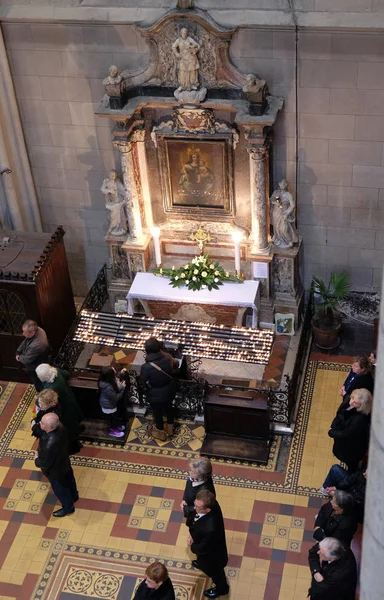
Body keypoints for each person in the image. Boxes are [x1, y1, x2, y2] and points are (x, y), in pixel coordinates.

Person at [34, 413, 79, 517]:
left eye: (42, 423)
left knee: (60, 489)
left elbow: (45, 463)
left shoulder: (50, 445)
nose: (40, 423)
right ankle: (74, 495)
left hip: (55, 471)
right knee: (69, 479)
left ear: (49, 427)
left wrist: (36, 460)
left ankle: (68, 507)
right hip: (64, 462)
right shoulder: (61, 427)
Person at [187, 490, 229, 599]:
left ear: (208, 509)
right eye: (195, 504)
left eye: (198, 507)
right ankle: (201, 563)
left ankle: (222, 588)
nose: (194, 508)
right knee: (203, 562)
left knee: (215, 573)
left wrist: (192, 546)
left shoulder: (211, 528)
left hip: (213, 557)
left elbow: (203, 548)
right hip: (208, 548)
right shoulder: (213, 503)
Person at [35, 364, 83, 454]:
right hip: (70, 402)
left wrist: (38, 401)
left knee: (68, 430)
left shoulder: (51, 387)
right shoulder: (56, 372)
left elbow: (44, 401)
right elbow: (66, 374)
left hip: (64, 409)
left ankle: (72, 448)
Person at [139, 338, 178, 441]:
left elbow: (142, 382)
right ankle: (170, 428)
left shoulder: (146, 367)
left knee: (158, 413)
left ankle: (161, 433)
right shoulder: (168, 357)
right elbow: (176, 365)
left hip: (155, 394)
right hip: (169, 390)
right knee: (169, 409)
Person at [328, 387, 372, 472]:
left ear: (362, 406)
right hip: (345, 439)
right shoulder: (351, 402)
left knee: (352, 465)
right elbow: (346, 403)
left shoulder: (359, 419)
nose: (351, 402)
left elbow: (346, 434)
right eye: (352, 398)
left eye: (355, 402)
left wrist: (331, 432)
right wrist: (345, 395)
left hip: (351, 448)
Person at [181, 457, 216, 526]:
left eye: (193, 472)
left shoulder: (205, 490)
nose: (190, 474)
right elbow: (188, 488)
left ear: (202, 475)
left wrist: (185, 508)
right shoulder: (194, 478)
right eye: (191, 470)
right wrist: (184, 499)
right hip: (191, 506)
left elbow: (201, 508)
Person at [15, 320, 48, 391]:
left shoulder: (37, 344)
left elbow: (27, 360)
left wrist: (19, 357)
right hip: (34, 356)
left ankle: (41, 392)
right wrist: (19, 350)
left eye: (25, 332)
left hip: (35, 365)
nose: (23, 334)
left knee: (37, 381)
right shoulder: (37, 329)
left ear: (32, 333)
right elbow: (26, 340)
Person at [98, 367, 127, 439]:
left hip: (108, 403)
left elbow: (115, 377)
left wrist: (121, 373)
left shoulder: (104, 380)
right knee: (113, 418)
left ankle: (115, 426)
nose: (114, 369)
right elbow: (116, 398)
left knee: (114, 417)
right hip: (109, 405)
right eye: (113, 370)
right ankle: (112, 430)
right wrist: (123, 388)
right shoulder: (109, 387)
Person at [270, 179, 299, 248]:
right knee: (276, 228)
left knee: (284, 229)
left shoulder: (288, 195)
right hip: (276, 212)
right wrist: (275, 202)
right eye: (281, 184)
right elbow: (271, 199)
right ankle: (279, 239)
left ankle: (289, 241)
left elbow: (293, 205)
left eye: (284, 184)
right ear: (279, 184)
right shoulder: (276, 192)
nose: (282, 185)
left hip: (284, 212)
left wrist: (287, 214)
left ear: (286, 185)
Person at [101, 169, 127, 236]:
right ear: (109, 175)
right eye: (111, 175)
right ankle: (113, 227)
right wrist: (109, 190)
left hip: (118, 201)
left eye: (114, 175)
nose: (112, 177)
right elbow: (102, 190)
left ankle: (118, 227)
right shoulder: (106, 182)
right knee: (112, 215)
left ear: (116, 176)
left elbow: (123, 191)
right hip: (111, 202)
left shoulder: (117, 183)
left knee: (118, 214)